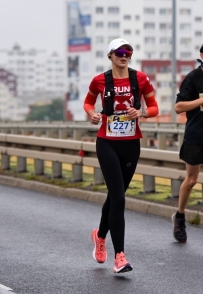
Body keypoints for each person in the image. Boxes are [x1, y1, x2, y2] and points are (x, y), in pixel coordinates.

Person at [83, 38, 159, 273]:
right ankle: (120, 257)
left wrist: (142, 113)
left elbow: (155, 107)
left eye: (128, 51)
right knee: (119, 198)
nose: (124, 55)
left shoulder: (140, 78)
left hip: (131, 144)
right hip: (106, 143)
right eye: (119, 52)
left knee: (116, 196)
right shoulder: (99, 80)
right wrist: (92, 114)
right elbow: (87, 103)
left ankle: (100, 236)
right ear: (110, 56)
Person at [173, 44, 203, 243]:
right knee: (191, 180)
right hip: (197, 136)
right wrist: (201, 101)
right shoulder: (193, 78)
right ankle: (180, 216)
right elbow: (178, 107)